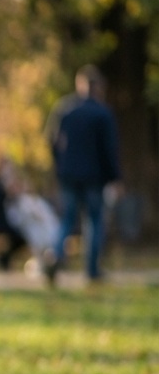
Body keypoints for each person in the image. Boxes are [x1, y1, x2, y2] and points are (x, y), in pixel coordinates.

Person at [45, 65, 121, 283]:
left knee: (68, 218)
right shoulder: (102, 112)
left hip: (68, 174)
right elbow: (109, 149)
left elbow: (52, 141)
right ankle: (92, 269)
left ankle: (56, 256)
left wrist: (59, 165)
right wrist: (115, 177)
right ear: (97, 86)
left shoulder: (65, 109)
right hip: (94, 176)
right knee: (95, 220)